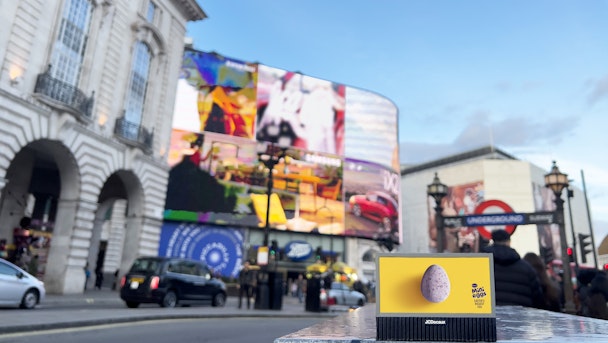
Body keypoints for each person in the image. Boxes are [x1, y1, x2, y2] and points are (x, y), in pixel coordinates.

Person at [483, 229, 544, 308]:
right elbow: (538, 298)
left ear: (493, 241)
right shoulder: (526, 268)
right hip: (518, 316)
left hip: (489, 316)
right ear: (509, 242)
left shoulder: (479, 266)